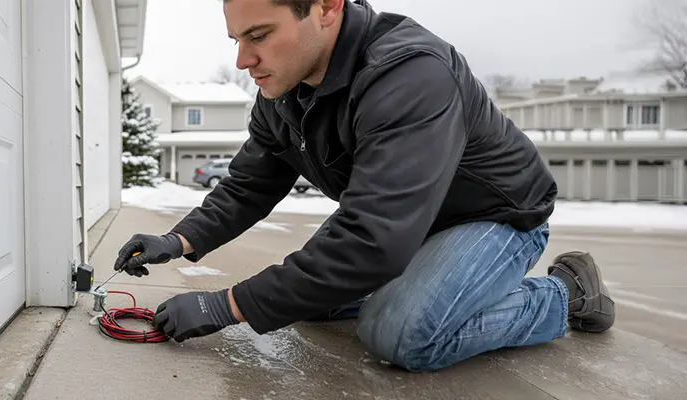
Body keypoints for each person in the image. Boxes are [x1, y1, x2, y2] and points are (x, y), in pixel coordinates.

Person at [113, 0, 615, 371]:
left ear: (327, 7)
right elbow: (249, 185)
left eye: (259, 35)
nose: (244, 59)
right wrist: (177, 240)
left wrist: (227, 305)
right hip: (405, 222)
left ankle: (565, 294)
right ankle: (428, 284)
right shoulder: (283, 91)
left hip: (495, 216)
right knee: (312, 300)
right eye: (237, 40)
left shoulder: (410, 75)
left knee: (400, 334)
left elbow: (372, 240)